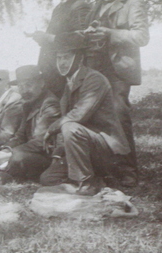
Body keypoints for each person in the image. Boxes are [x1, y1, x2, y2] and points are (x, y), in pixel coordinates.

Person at [83, 0, 150, 187]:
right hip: (94, 69)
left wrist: (110, 33)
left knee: (119, 118)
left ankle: (128, 171)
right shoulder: (95, 5)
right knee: (94, 117)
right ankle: (104, 169)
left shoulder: (133, 3)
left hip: (119, 71)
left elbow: (141, 37)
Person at [38, 33, 131, 195]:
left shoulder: (94, 79)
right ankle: (94, 179)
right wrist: (58, 156)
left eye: (66, 57)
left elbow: (78, 115)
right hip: (86, 147)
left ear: (80, 58)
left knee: (69, 127)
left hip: (106, 150)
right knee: (47, 179)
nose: (62, 63)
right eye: (59, 58)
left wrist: (52, 128)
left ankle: (86, 181)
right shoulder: (70, 83)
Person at [28, 0, 92, 95]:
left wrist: (49, 38)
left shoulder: (80, 6)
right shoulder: (59, 8)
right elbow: (55, 38)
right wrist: (42, 38)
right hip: (54, 69)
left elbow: (82, 38)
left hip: (68, 69)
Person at [0, 65, 62, 184]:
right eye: (21, 86)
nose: (24, 90)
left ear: (41, 83)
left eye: (28, 85)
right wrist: (6, 148)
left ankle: (9, 173)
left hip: (46, 156)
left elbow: (40, 141)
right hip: (29, 151)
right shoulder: (29, 103)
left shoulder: (50, 104)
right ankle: (7, 172)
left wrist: (10, 152)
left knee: (17, 156)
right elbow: (20, 135)